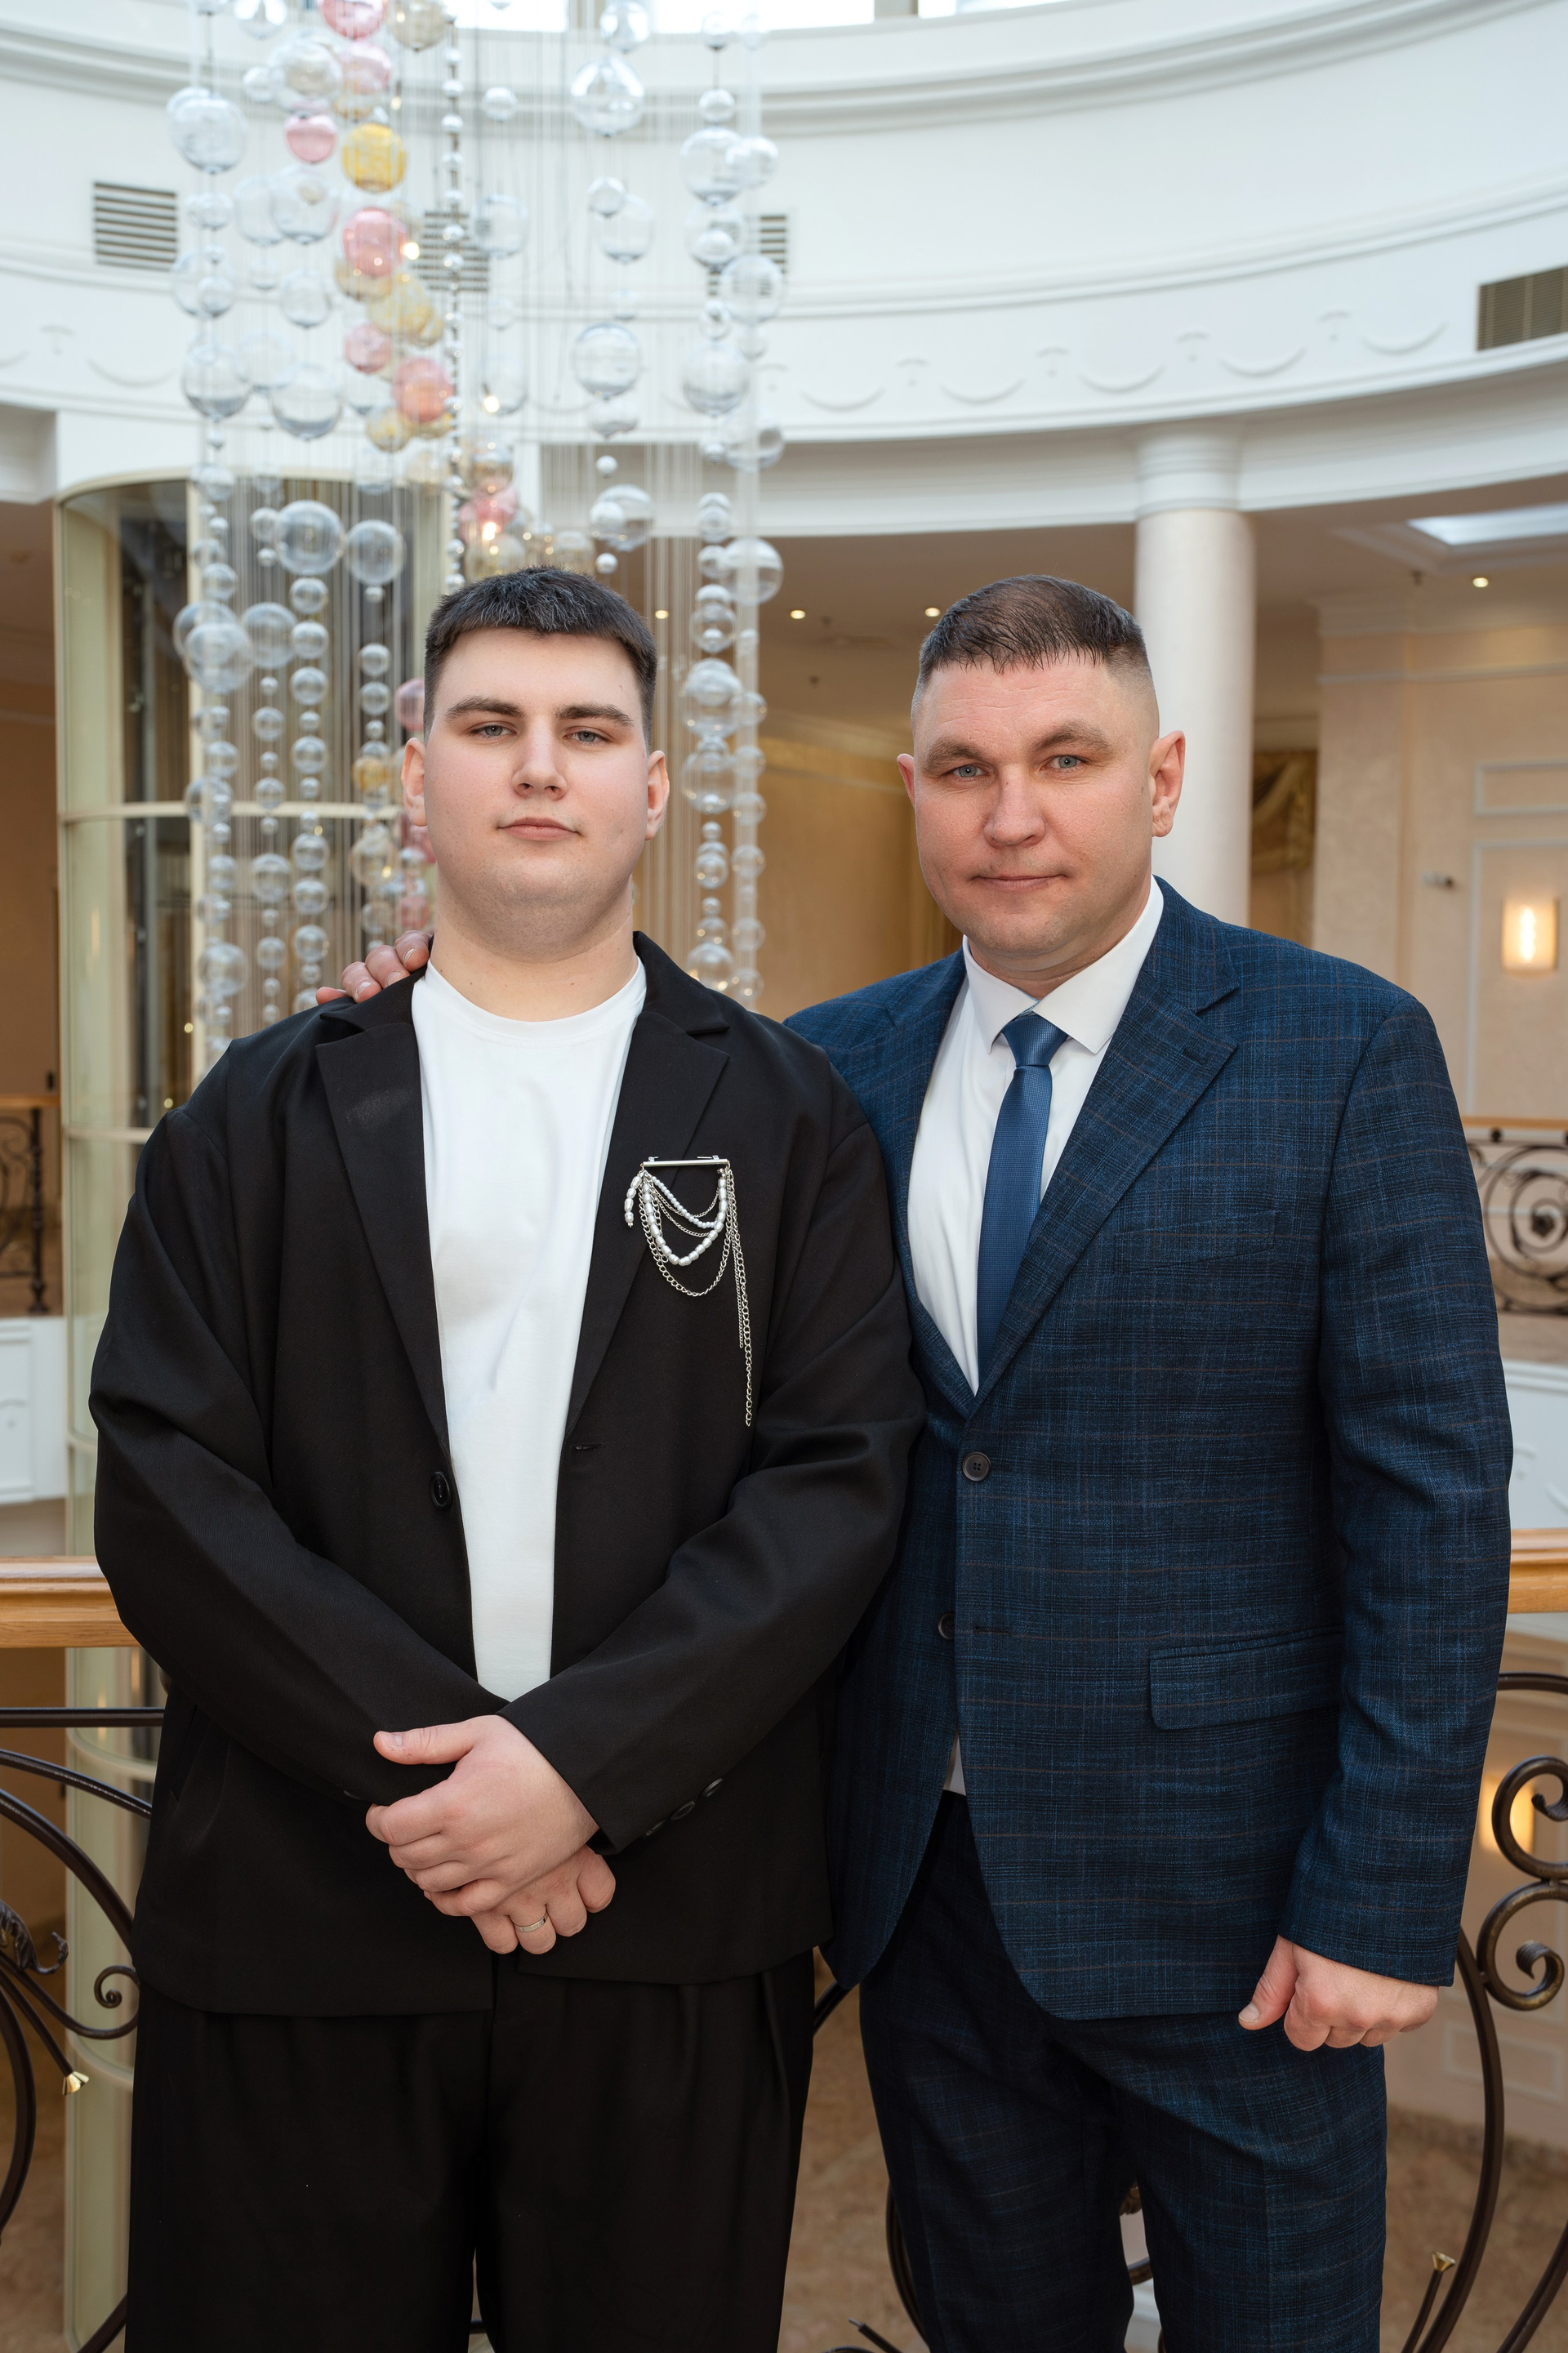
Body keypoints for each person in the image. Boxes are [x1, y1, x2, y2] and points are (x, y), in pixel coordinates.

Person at [339, 572, 1512, 2351]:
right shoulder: (827, 1068)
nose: (1011, 813)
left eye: (1066, 759)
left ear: (1163, 777)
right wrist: (426, 1005)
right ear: (914, 789)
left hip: (1242, 1908)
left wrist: (1382, 1894)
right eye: (965, 768)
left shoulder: (1341, 1047)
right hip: (922, 1893)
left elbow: (1430, 1499)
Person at [91, 567, 923, 2353]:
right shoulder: (253, 1111)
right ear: (417, 775)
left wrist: (580, 1769)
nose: (539, 766)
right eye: (491, 725)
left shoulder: (792, 1116)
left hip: (669, 1918)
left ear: (654, 786)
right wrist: (470, 1793)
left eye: (587, 730)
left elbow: (838, 1480)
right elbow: (167, 1483)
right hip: (306, 1911)